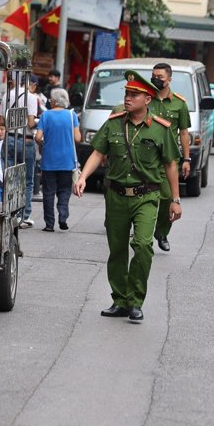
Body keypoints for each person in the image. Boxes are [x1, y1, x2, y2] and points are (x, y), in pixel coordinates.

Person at [73, 71, 181, 323]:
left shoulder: (160, 129)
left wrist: (175, 199)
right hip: (117, 196)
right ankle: (120, 300)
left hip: (147, 196)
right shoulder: (114, 122)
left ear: (147, 99)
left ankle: (135, 301)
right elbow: (98, 153)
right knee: (118, 250)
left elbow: (170, 165)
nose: (128, 98)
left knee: (143, 245)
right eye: (126, 93)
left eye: (134, 94)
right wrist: (83, 176)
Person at [148, 63, 191, 253]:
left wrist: (186, 159)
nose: (156, 80)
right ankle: (143, 231)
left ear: (169, 80)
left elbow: (183, 133)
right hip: (146, 156)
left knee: (168, 197)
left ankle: (162, 232)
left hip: (168, 159)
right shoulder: (146, 98)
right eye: (153, 76)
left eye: (160, 77)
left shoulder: (179, 103)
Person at [35, 88, 81, 232]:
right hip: (67, 161)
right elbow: (78, 138)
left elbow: (38, 137)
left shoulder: (45, 115)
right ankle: (63, 216)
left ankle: (49, 224)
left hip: (49, 160)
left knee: (48, 192)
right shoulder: (71, 115)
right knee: (64, 191)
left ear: (54, 101)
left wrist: (42, 144)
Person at [4, 75, 40, 227]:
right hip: (25, 140)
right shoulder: (31, 97)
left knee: (9, 178)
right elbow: (31, 123)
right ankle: (24, 216)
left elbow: (1, 120)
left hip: (9, 139)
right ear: (31, 84)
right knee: (27, 180)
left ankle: (8, 212)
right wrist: (37, 122)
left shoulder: (7, 94)